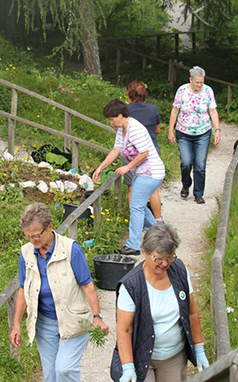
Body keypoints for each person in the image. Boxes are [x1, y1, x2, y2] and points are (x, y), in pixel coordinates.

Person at [9, 203, 109, 382]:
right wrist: (16, 324)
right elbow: (23, 289)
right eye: (28, 236)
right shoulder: (26, 252)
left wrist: (97, 317)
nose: (33, 240)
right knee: (51, 377)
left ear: (50, 227)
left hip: (74, 320)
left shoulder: (71, 249)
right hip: (44, 323)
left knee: (64, 369)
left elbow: (87, 286)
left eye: (37, 235)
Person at [110, 224, 210, 382]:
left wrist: (199, 349)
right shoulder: (131, 285)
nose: (165, 264)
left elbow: (192, 312)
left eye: (170, 258)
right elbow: (124, 329)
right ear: (145, 252)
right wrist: (127, 367)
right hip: (140, 358)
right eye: (159, 258)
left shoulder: (178, 270)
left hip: (173, 357)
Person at [93, 99, 165, 256]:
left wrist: (127, 167)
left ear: (120, 115)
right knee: (137, 204)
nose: (111, 123)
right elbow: (115, 151)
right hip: (141, 173)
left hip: (151, 172)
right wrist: (100, 168)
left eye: (112, 119)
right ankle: (159, 235)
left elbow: (144, 153)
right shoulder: (122, 130)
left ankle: (134, 245)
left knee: (136, 207)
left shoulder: (135, 129)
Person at [168, 66, 221, 204]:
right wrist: (170, 130)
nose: (199, 85)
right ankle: (186, 184)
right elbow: (175, 111)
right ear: (190, 80)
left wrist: (217, 130)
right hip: (183, 132)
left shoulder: (208, 91)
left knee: (200, 164)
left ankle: (198, 193)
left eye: (201, 82)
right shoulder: (182, 90)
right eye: (197, 82)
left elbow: (213, 112)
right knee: (186, 162)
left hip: (203, 132)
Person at [121, 81, 163, 221]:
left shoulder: (125, 111)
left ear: (129, 93)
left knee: (132, 188)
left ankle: (137, 219)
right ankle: (158, 220)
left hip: (131, 152)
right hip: (151, 149)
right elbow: (157, 130)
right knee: (153, 189)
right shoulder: (152, 109)